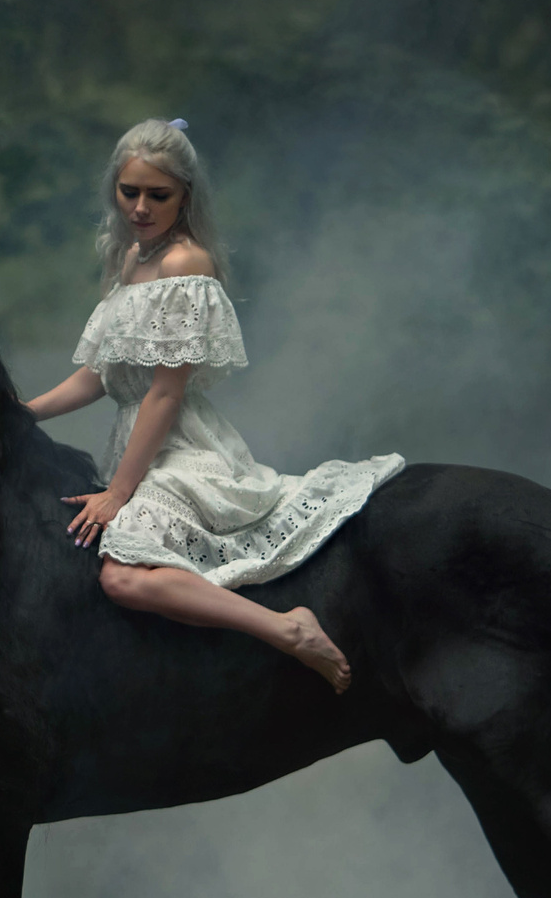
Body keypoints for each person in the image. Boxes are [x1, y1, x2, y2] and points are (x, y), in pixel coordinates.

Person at [21, 119, 405, 692]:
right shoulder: (131, 261)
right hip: (136, 445)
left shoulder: (185, 264)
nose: (142, 208)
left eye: (159, 195)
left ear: (186, 196)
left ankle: (288, 629)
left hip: (180, 447)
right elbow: (101, 376)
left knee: (122, 580)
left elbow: (165, 392)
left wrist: (119, 493)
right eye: (130, 193)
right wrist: (20, 413)